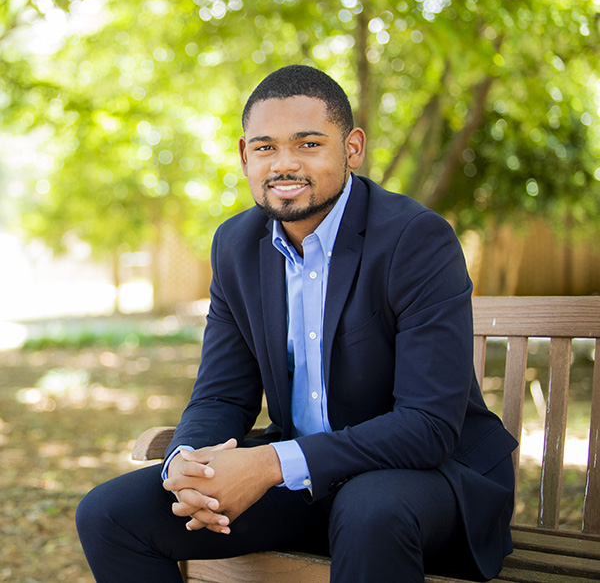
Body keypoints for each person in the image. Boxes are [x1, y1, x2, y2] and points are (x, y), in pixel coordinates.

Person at [77, 65, 518, 583]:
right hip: (306, 481)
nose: (285, 164)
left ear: (352, 148)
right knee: (109, 515)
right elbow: (221, 396)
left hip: (427, 480)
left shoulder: (416, 240)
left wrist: (268, 465)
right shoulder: (237, 246)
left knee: (369, 508)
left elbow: (428, 426)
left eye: (308, 144)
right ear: (245, 155)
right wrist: (188, 464)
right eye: (265, 148)